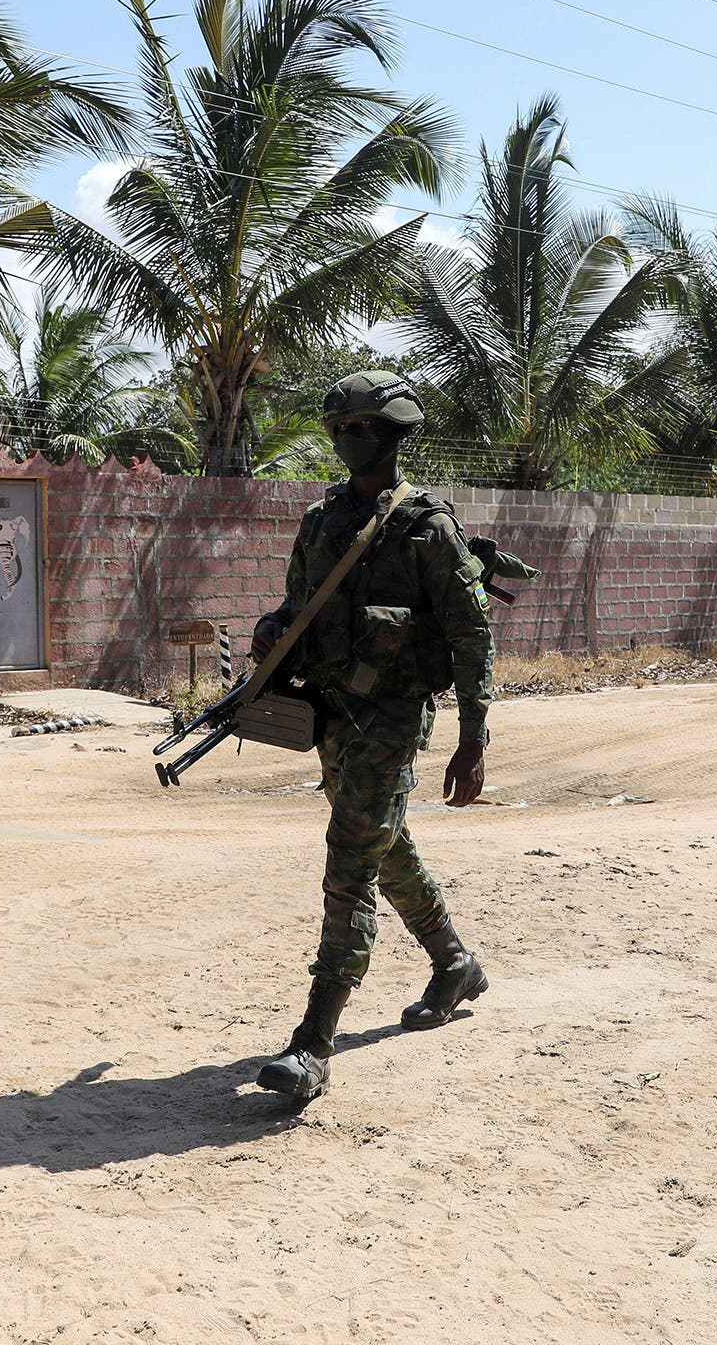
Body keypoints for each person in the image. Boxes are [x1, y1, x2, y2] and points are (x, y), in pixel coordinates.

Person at [246, 371, 495, 1103]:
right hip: (330, 710)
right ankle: (453, 963)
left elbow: (471, 636)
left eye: (367, 428)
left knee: (351, 853)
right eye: (343, 429)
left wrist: (473, 737)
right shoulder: (322, 520)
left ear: (394, 435)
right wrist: (269, 633)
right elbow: (295, 606)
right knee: (383, 842)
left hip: (393, 714)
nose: (353, 440)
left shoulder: (427, 527)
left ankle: (313, 1042)